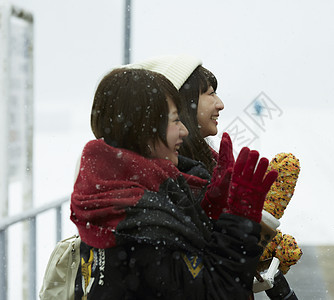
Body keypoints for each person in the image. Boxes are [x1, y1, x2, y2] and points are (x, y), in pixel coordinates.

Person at [70, 67, 278, 299]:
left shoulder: (115, 195)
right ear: (144, 127)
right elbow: (218, 292)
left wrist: (210, 209)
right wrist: (239, 223)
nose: (184, 130)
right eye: (175, 120)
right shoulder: (144, 223)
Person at [130, 55, 299, 299]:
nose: (220, 104)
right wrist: (252, 231)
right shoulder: (175, 177)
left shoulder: (204, 162)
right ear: (183, 103)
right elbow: (206, 265)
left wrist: (258, 227)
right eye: (209, 93)